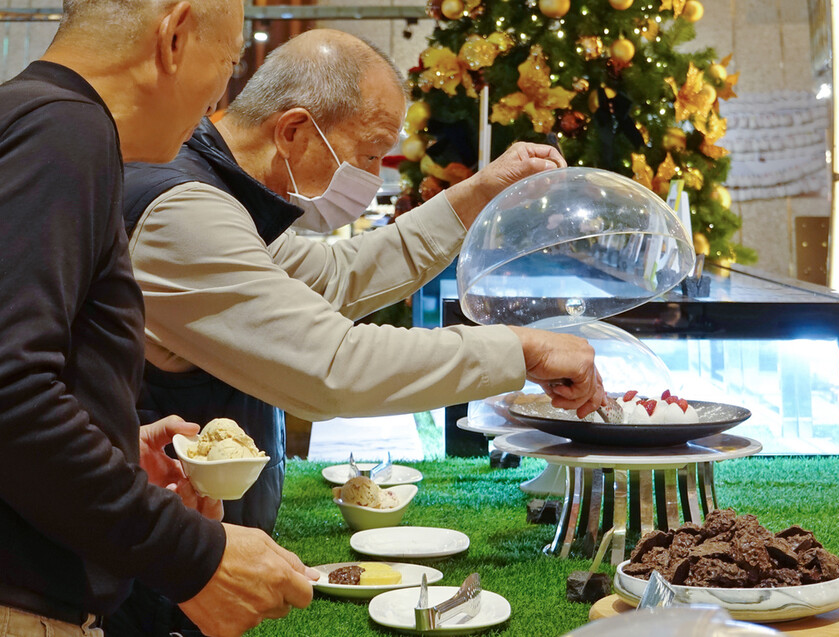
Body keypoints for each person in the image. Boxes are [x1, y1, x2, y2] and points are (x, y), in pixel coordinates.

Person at [122, 27, 606, 534]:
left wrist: (479, 194)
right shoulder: (183, 212)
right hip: (152, 568)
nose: (376, 178)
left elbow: (335, 277)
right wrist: (520, 349)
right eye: (371, 154)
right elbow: (332, 366)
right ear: (294, 132)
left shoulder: (225, 198)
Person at [0, 2, 319, 636]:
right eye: (228, 61)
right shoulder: (65, 131)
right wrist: (191, 554)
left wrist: (113, 441)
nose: (222, 93)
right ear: (174, 37)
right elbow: (11, 393)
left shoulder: (31, 117)